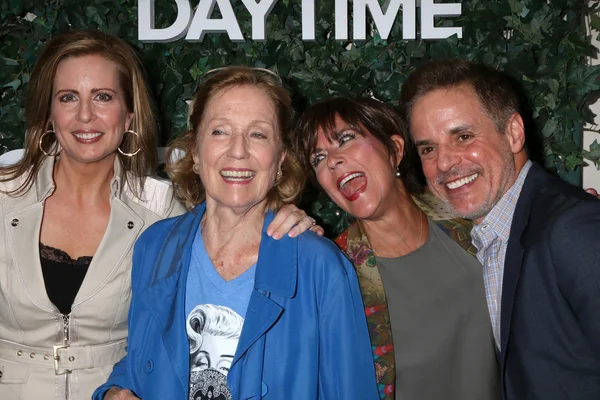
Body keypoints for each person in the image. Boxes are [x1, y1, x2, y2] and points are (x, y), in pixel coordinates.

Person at [0, 31, 319, 399]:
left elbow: (235, 226)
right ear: (49, 113)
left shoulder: (162, 214)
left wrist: (285, 217)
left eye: (103, 97)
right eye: (68, 97)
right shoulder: (5, 198)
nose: (85, 114)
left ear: (129, 114)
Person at [93, 67, 379, 400]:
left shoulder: (319, 266)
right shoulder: (155, 246)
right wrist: (113, 391)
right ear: (196, 154)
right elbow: (141, 359)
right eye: (220, 132)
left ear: (280, 159)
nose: (238, 151)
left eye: (258, 134)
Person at [401, 58, 600, 400]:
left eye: (463, 136)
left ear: (514, 133)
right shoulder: (487, 235)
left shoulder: (572, 228)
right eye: (429, 149)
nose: (444, 163)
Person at [293, 96, 500, 400]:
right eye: (318, 158)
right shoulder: (333, 275)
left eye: (346, 139)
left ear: (395, 150)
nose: (332, 160)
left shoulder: (467, 219)